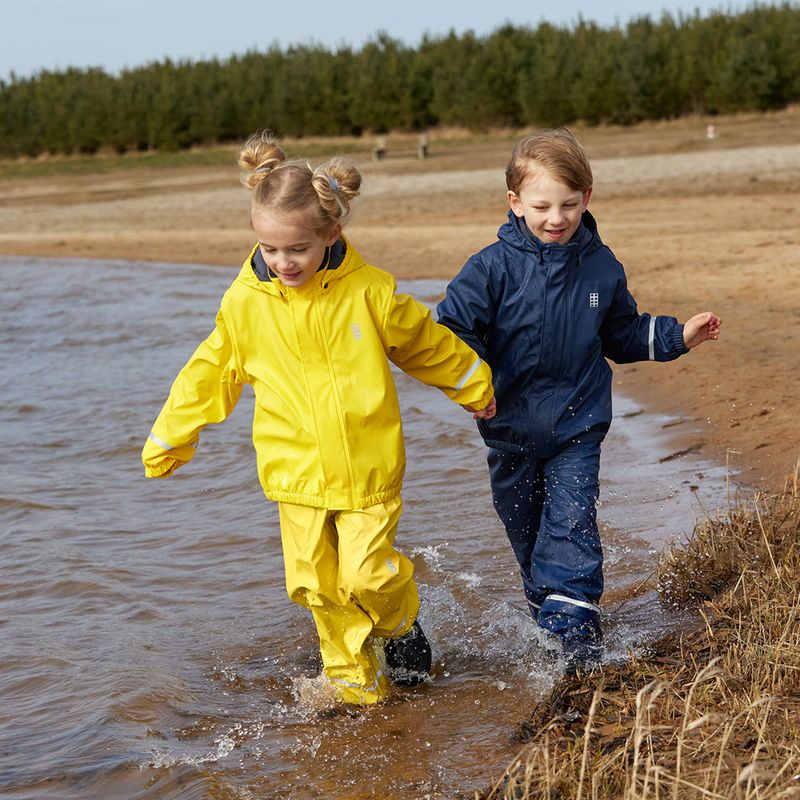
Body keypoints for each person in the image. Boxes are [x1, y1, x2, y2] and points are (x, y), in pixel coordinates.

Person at [142, 132, 496, 705]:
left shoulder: (369, 293)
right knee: (316, 585)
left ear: (331, 234)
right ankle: (358, 691)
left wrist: (473, 385)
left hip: (367, 469)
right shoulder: (245, 302)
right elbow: (210, 372)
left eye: (296, 250)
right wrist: (171, 436)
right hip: (295, 475)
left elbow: (425, 344)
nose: (282, 262)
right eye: (269, 249)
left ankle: (400, 623)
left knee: (365, 576)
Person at [436, 128, 721, 672]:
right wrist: (468, 382)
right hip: (509, 431)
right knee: (527, 535)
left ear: (586, 198)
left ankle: (577, 639)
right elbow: (451, 331)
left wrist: (676, 336)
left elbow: (622, 334)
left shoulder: (601, 266)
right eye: (542, 206)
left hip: (578, 426)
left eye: (569, 204)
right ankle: (550, 620)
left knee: (571, 524)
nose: (556, 218)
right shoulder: (490, 268)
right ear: (515, 204)